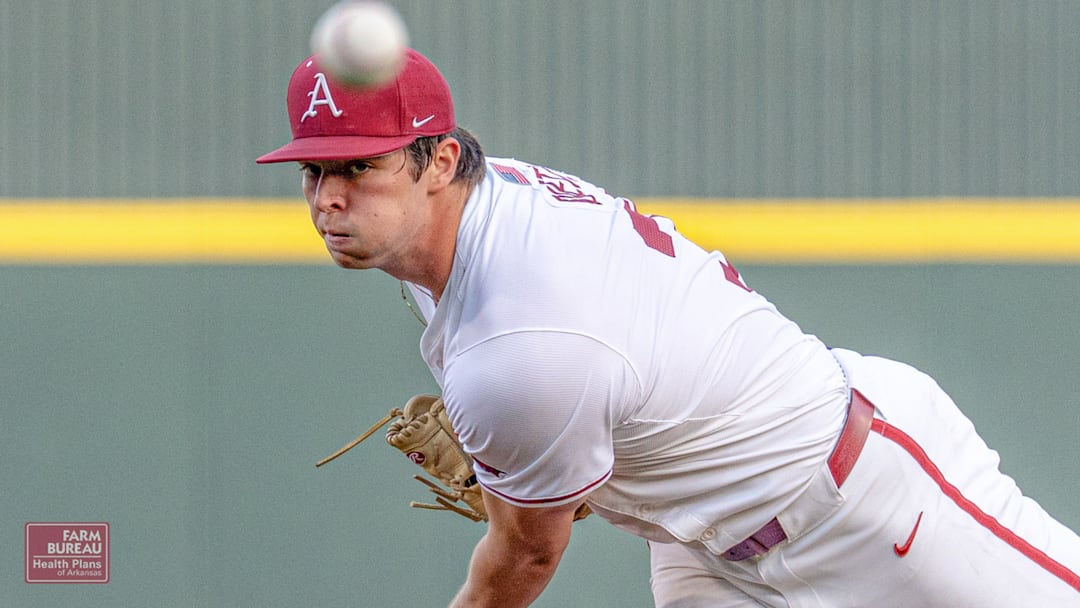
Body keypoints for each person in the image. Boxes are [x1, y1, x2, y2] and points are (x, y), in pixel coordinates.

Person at [258, 48, 1080, 607]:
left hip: (864, 495)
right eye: (315, 170)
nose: (329, 198)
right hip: (703, 546)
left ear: (439, 161)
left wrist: (533, 464)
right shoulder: (472, 215)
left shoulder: (516, 350)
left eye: (360, 166)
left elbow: (525, 560)